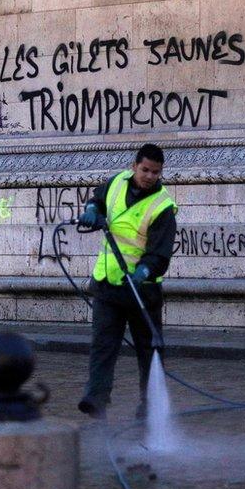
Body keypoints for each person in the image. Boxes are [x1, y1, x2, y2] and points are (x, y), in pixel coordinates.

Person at [76, 144, 178, 420]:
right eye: (145, 170)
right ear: (134, 166)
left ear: (161, 173)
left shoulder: (163, 207)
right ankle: (96, 398)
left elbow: (160, 252)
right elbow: (97, 199)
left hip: (142, 291)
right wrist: (91, 210)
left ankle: (150, 406)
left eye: (155, 172)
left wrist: (143, 272)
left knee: (149, 350)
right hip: (108, 284)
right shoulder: (117, 182)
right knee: (103, 345)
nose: (149, 176)